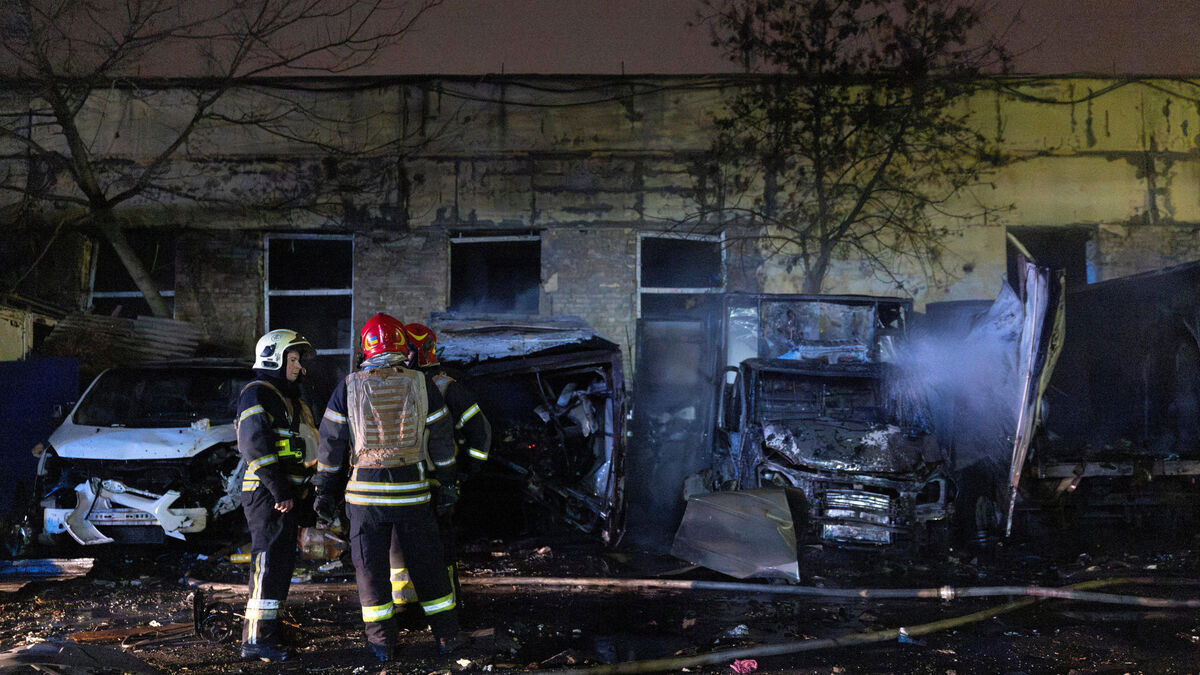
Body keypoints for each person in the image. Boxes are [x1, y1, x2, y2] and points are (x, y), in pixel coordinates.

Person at [313, 313, 467, 662]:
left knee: (371, 570)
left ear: (366, 348)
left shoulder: (347, 386)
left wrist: (324, 490)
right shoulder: (422, 384)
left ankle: (382, 644)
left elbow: (331, 444)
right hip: (413, 493)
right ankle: (447, 637)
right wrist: (446, 483)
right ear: (402, 347)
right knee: (428, 564)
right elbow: (442, 440)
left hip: (365, 499)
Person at [394, 323, 492, 611]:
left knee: (439, 547)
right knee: (400, 547)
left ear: (424, 350)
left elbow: (480, 430)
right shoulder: (398, 384)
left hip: (438, 483)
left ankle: (446, 607)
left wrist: (468, 470)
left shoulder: (445, 386)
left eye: (408, 350)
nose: (402, 356)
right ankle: (406, 608)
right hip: (405, 481)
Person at [236, 329, 318, 662]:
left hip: (285, 495)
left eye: (298, 360)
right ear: (275, 357)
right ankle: (256, 641)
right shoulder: (258, 393)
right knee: (268, 564)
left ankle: (270, 632)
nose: (298, 367)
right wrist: (281, 490)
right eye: (293, 359)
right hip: (268, 494)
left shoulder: (288, 398)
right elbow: (254, 444)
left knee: (280, 566)